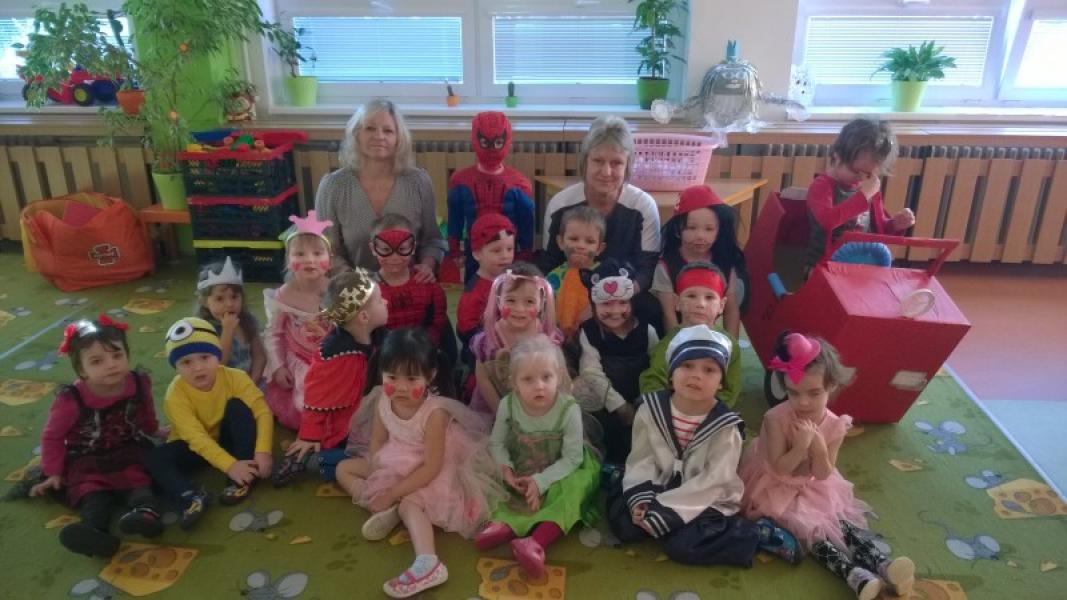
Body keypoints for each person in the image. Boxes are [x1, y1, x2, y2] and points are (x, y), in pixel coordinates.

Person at [739, 332, 915, 599]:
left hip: (812, 484)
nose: (803, 402)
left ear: (831, 385)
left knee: (837, 520)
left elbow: (823, 473)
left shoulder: (835, 424)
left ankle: (884, 564)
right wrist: (800, 447)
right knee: (811, 529)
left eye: (814, 393)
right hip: (773, 485)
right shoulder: (775, 418)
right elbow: (779, 468)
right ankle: (854, 575)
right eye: (793, 393)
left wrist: (819, 447)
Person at [609, 325, 800, 567]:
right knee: (626, 524)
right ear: (671, 374)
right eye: (687, 366)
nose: (696, 375)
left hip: (705, 497)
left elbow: (714, 481)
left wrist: (666, 509)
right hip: (661, 482)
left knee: (682, 545)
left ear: (721, 382)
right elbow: (642, 458)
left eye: (709, 370)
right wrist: (643, 499)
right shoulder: (649, 410)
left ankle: (756, 534)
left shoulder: (725, 427)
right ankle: (628, 486)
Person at [352, 328, 505, 598]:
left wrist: (393, 492)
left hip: (434, 467)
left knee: (410, 503)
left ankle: (428, 562)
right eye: (392, 377)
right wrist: (380, 474)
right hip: (397, 459)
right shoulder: (382, 400)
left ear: (430, 376)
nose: (401, 387)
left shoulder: (435, 414)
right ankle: (384, 507)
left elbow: (432, 467)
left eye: (412, 379)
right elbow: (377, 442)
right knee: (344, 469)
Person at [31, 316, 165, 558]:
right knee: (92, 492)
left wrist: (153, 429)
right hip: (87, 456)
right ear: (82, 369)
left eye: (117, 355)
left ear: (127, 354)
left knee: (139, 480)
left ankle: (146, 515)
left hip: (128, 447)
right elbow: (52, 437)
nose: (111, 365)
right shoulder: (71, 399)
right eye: (97, 361)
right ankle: (95, 532)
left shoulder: (137, 382)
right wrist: (53, 472)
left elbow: (145, 409)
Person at [477, 335, 601, 578]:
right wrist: (506, 469)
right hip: (520, 465)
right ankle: (505, 526)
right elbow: (497, 443)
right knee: (491, 479)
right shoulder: (508, 405)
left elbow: (572, 459)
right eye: (528, 379)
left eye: (546, 377)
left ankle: (535, 542)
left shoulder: (569, 409)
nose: (539, 386)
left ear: (559, 377)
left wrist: (541, 481)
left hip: (560, 470)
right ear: (514, 382)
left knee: (576, 488)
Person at [535, 115, 662, 332]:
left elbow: (647, 269)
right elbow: (550, 261)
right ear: (585, 162)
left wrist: (612, 299)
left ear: (628, 167)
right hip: (570, 289)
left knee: (652, 310)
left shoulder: (642, 206)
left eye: (616, 163)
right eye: (598, 161)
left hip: (623, 294)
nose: (606, 172)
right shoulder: (561, 204)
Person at [146, 317, 274, 528]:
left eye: (205, 357)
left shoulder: (236, 377)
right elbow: (196, 438)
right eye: (186, 362)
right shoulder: (174, 396)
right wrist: (230, 465)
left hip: (227, 438)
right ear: (176, 367)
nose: (198, 368)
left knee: (238, 407)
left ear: (218, 356)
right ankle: (189, 497)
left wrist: (263, 451)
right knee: (155, 458)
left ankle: (244, 475)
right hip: (195, 447)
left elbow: (262, 412)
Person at [272, 269, 387, 487]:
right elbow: (316, 398)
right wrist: (309, 435)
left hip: (370, 412)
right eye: (381, 301)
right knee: (344, 460)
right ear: (364, 317)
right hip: (347, 428)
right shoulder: (336, 355)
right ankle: (321, 461)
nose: (386, 303)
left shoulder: (377, 335)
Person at [315, 98, 447, 278]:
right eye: (370, 128)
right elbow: (326, 249)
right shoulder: (333, 186)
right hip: (352, 286)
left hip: (409, 284)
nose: (379, 136)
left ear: (399, 138)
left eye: (388, 130)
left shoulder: (419, 182)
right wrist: (355, 282)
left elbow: (433, 240)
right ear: (356, 134)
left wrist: (427, 265)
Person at [571, 259, 659, 464]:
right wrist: (619, 405)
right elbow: (591, 372)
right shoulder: (589, 332)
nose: (615, 311)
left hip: (642, 397)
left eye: (622, 302)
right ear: (594, 305)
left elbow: (657, 367)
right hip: (606, 399)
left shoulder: (647, 330)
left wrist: (642, 400)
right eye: (606, 304)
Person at [805, 118, 915, 272]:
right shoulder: (822, 186)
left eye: (868, 174)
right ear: (837, 156)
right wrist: (863, 197)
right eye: (856, 171)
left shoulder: (868, 189)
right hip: (824, 268)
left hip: (863, 265)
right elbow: (827, 222)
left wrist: (895, 225)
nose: (862, 178)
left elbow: (879, 231)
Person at [263, 211, 335, 431]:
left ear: (330, 259)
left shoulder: (335, 290)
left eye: (317, 253)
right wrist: (278, 366)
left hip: (333, 357)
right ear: (288, 260)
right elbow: (273, 334)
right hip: (301, 359)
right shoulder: (283, 296)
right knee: (306, 401)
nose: (309, 260)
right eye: (300, 254)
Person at [447, 111, 535, 283]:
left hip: (507, 256)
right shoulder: (461, 181)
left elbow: (526, 222)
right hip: (475, 254)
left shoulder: (518, 184)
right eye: (485, 143)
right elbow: (455, 218)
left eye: (498, 142)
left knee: (507, 292)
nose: (492, 149)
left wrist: (525, 254)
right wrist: (454, 249)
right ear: (476, 140)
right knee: (474, 290)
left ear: (506, 141)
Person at [653, 184, 748, 339]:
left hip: (710, 331)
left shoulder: (725, 265)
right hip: (677, 333)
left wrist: (731, 346)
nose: (700, 236)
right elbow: (668, 313)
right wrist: (678, 345)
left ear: (719, 231)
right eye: (691, 228)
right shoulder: (666, 266)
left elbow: (731, 309)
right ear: (678, 229)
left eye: (709, 229)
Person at [639, 262, 741, 406]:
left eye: (709, 297)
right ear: (677, 302)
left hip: (712, 413)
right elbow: (653, 381)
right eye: (691, 296)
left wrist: (708, 411)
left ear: (721, 305)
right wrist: (667, 409)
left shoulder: (730, 345)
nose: (700, 304)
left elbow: (730, 388)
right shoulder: (670, 342)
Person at [470, 263, 562, 414]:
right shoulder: (488, 340)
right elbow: (483, 379)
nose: (519, 309)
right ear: (498, 300)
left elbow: (558, 373)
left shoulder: (547, 335)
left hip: (537, 404)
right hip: (494, 407)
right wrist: (502, 412)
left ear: (541, 303)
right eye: (511, 300)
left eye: (529, 301)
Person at [196, 257, 267, 383]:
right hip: (220, 386)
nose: (229, 304)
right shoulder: (203, 329)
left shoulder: (248, 320)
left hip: (249, 382)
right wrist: (227, 331)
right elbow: (218, 366)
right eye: (219, 299)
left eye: (234, 297)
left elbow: (259, 356)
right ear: (204, 302)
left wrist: (252, 383)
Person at [545, 206, 606, 340]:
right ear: (561, 242)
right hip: (560, 339)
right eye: (573, 239)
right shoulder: (552, 278)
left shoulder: (605, 276)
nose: (581, 246)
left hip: (596, 339)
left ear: (599, 248)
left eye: (589, 241)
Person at [456, 213, 516, 343]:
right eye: (496, 251)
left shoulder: (514, 279)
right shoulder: (474, 292)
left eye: (510, 249)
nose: (505, 256)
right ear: (477, 254)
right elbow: (466, 331)